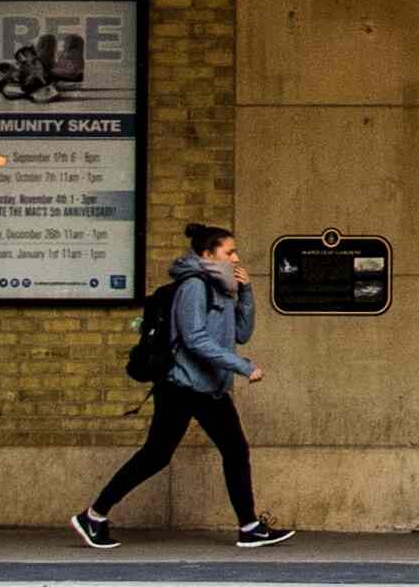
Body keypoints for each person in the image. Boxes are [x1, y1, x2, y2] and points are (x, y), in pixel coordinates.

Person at [70, 224, 293, 550]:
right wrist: (242, 367)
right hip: (182, 386)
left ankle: (249, 526)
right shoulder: (193, 287)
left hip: (209, 387)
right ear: (207, 254)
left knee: (232, 450)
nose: (236, 257)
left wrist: (246, 293)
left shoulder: (222, 288)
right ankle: (94, 514)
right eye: (229, 252)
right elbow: (194, 339)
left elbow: (242, 333)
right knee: (157, 456)